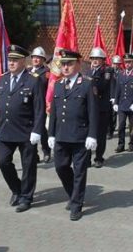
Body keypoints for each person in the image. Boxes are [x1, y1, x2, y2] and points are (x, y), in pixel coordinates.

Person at [0, 45, 45, 212]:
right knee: (2, 161)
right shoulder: (3, 79)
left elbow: (39, 108)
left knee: (28, 166)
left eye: (15, 60)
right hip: (6, 130)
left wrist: (37, 130)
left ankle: (26, 197)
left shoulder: (33, 80)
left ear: (23, 61)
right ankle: (17, 189)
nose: (11, 63)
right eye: (10, 60)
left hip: (26, 131)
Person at [48, 49, 98, 221]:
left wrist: (93, 135)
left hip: (80, 136)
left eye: (69, 63)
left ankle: (76, 204)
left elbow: (93, 112)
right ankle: (73, 194)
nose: (65, 67)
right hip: (61, 135)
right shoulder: (58, 85)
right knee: (60, 167)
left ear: (77, 64)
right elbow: (54, 111)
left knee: (79, 172)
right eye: (63, 64)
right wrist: (51, 134)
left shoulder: (86, 84)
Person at [86, 47, 113, 168]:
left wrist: (91, 81)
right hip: (89, 107)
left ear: (103, 60)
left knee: (101, 135)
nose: (95, 60)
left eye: (98, 58)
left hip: (101, 107)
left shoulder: (107, 71)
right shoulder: (88, 71)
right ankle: (86, 158)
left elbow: (102, 86)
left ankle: (98, 157)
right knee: (87, 132)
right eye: (93, 58)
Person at [28, 46, 52, 163]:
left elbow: (47, 86)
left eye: (39, 58)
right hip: (28, 105)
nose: (36, 60)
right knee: (29, 130)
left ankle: (46, 151)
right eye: (34, 57)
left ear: (43, 60)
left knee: (42, 130)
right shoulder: (27, 71)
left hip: (41, 104)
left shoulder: (46, 72)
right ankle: (34, 154)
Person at [112, 53, 133, 152]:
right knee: (121, 125)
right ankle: (121, 144)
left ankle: (132, 143)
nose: (127, 64)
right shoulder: (121, 74)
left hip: (132, 105)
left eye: (130, 62)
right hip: (122, 105)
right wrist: (115, 102)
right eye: (126, 62)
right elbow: (118, 89)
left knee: (132, 126)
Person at [108, 55, 122, 139]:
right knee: (111, 114)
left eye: (118, 64)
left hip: (119, 96)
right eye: (114, 64)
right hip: (111, 95)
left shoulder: (121, 72)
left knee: (117, 114)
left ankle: (114, 128)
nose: (116, 65)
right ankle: (110, 131)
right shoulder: (109, 72)